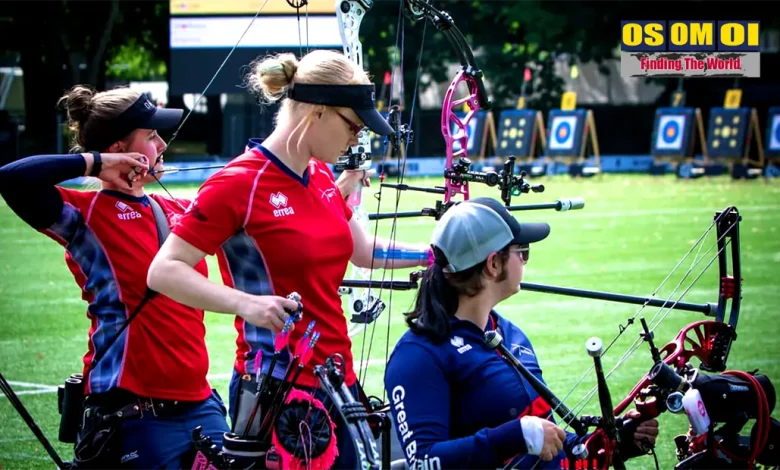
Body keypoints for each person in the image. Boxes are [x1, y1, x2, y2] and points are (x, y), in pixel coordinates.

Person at [146, 49, 431, 468]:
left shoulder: (319, 177)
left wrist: (436, 255)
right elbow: (163, 271)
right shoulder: (238, 183)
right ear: (317, 112)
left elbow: (364, 252)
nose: (356, 139)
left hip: (338, 379)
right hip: (276, 389)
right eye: (352, 126)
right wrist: (246, 304)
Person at [0, 85, 230, 469]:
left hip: (202, 405)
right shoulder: (83, 215)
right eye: (152, 136)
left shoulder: (177, 208)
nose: (162, 144)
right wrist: (96, 163)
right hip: (135, 414)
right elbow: (11, 178)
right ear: (122, 148)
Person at [383, 197, 660, 469]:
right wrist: (515, 436)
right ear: (493, 264)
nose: (525, 261)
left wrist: (615, 442)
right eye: (522, 251)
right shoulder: (419, 355)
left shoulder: (508, 333)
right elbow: (422, 461)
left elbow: (548, 441)